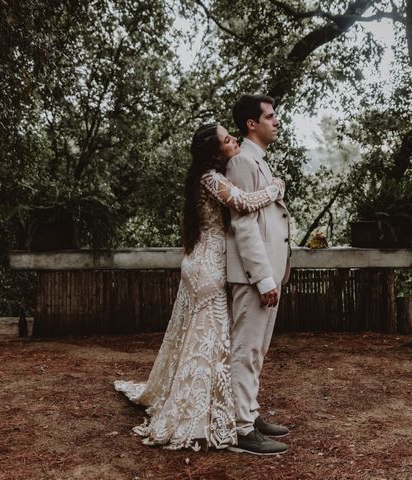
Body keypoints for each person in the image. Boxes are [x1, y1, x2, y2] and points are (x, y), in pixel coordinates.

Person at [114, 123, 285, 451]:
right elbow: (244, 202)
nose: (233, 140)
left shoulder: (206, 176)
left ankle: (239, 408)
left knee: (211, 337)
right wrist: (276, 188)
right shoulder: (210, 178)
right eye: (227, 139)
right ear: (213, 151)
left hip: (206, 259)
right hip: (208, 263)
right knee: (209, 338)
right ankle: (203, 412)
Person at [225, 95, 292, 455]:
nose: (275, 121)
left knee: (258, 350)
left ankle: (249, 413)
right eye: (269, 116)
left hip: (266, 273)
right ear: (251, 123)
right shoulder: (241, 162)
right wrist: (263, 278)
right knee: (246, 349)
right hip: (253, 275)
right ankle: (241, 429)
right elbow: (244, 225)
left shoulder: (257, 161)